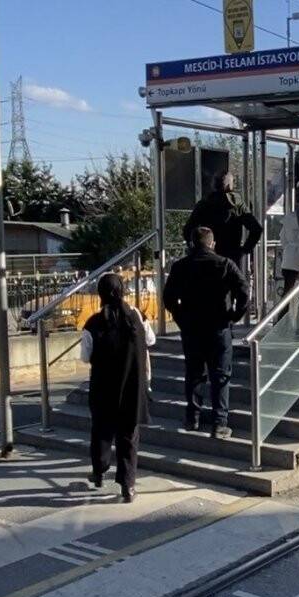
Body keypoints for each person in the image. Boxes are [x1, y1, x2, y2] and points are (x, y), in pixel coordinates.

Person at [163, 226, 250, 438]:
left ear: (192, 244)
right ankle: (219, 423)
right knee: (220, 375)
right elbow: (244, 291)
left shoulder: (180, 266)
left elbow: (168, 298)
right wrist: (235, 315)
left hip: (192, 327)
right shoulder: (225, 264)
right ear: (212, 243)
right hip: (219, 327)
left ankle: (192, 417)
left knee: (194, 373)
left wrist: (180, 317)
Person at [80, 273, 155, 503]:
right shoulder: (137, 317)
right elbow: (150, 340)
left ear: (100, 293)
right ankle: (128, 485)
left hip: (103, 387)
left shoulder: (93, 323)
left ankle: (100, 470)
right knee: (129, 435)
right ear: (123, 290)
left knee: (101, 431)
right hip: (132, 387)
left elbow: (85, 357)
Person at [185, 171, 264, 270]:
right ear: (229, 185)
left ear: (213, 185)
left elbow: (188, 229)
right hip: (230, 258)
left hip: (207, 257)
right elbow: (257, 229)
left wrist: (195, 249)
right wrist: (243, 250)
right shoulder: (237, 204)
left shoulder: (204, 203)